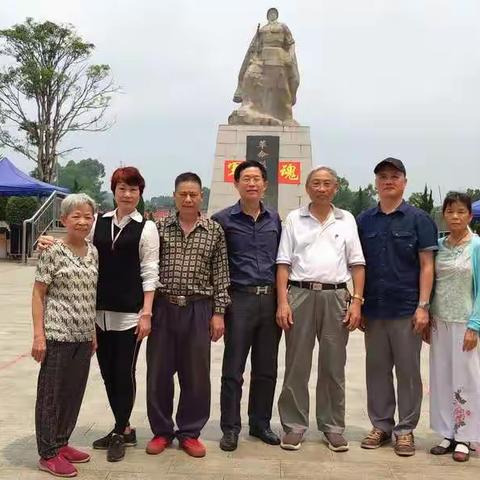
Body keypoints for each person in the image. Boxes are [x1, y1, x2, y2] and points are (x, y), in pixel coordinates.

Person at [37, 167, 159, 463]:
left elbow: (149, 271)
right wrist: (47, 241)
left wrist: (147, 312)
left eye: (133, 189)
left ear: (140, 193)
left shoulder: (147, 228)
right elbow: (76, 243)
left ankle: (120, 429)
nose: (127, 194)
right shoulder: (98, 222)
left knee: (124, 372)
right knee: (106, 374)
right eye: (121, 188)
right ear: (114, 191)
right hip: (97, 314)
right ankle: (123, 426)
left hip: (130, 314)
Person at [276, 166, 366, 452]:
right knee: (296, 365)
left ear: (335, 188)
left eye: (327, 183)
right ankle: (294, 425)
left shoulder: (346, 219)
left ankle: (332, 426)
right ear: (307, 187)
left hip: (336, 296)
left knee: (333, 365)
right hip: (300, 294)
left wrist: (356, 301)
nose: (322, 188)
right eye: (316, 183)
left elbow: (357, 264)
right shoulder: (294, 218)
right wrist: (282, 301)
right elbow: (283, 263)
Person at [357, 158, 437, 456]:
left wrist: (423, 306)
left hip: (407, 308)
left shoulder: (419, 219)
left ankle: (405, 429)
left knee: (408, 371)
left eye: (394, 176)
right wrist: (359, 303)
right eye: (383, 177)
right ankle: (381, 425)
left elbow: (427, 266)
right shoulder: (364, 220)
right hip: (374, 309)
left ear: (405, 182)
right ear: (376, 183)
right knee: (376, 370)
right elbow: (357, 265)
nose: (388, 181)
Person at [146, 172, 230, 458]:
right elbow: (145, 267)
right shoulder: (158, 228)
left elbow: (221, 275)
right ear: (175, 196)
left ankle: (190, 432)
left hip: (198, 309)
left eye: (194, 194)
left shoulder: (214, 230)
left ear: (201, 196)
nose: (189, 198)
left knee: (196, 375)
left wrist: (219, 313)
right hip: (163, 308)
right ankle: (161, 431)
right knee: (159, 372)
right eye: (183, 194)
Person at [212, 160, 282, 452]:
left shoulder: (276, 220)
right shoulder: (222, 220)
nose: (252, 183)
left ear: (265, 185)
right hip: (238, 300)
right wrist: (218, 309)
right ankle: (230, 427)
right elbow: (215, 266)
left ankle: (260, 423)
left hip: (270, 300)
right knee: (233, 368)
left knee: (266, 368)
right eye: (246, 178)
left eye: (257, 179)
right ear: (236, 183)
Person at [32, 193, 98, 478]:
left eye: (88, 216)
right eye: (76, 216)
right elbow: (38, 294)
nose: (82, 222)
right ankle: (47, 453)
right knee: (51, 396)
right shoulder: (52, 252)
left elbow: (91, 295)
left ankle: (62, 442)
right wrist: (39, 336)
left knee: (73, 394)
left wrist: (93, 332)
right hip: (57, 334)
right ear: (64, 220)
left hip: (83, 336)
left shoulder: (94, 251)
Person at [428, 192, 480, 462]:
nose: (455, 216)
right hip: (439, 321)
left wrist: (475, 325)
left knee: (467, 379)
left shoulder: (477, 246)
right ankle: (447, 432)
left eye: (461, 211)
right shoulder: (439, 246)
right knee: (442, 377)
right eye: (450, 212)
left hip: (465, 323)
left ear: (469, 215)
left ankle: (465, 436)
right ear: (444, 215)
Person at [229, 7, 300, 126]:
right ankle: (248, 105)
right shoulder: (262, 29)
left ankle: (286, 116)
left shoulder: (282, 27)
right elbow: (256, 45)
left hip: (278, 57)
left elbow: (291, 43)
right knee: (249, 76)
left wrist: (290, 56)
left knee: (282, 87)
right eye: (270, 13)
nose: (272, 15)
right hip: (261, 57)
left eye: (273, 13)